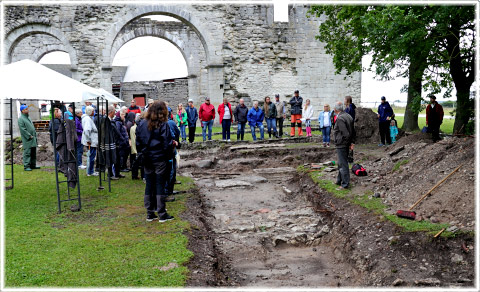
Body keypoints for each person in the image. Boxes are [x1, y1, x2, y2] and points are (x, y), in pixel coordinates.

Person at [135, 101, 176, 222]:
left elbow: (138, 142)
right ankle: (161, 213)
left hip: (148, 157)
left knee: (149, 184)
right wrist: (168, 155)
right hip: (158, 158)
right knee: (159, 184)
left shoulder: (142, 124)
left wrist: (142, 153)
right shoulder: (163, 124)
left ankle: (150, 212)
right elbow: (166, 143)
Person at [332, 101, 355, 190]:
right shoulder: (348, 116)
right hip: (345, 143)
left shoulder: (340, 118)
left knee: (343, 164)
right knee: (340, 162)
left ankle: (345, 184)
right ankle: (339, 180)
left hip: (342, 143)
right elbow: (353, 131)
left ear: (335, 110)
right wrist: (352, 142)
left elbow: (345, 133)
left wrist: (347, 142)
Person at [18, 104, 39, 171]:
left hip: (33, 137)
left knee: (33, 152)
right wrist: (29, 135)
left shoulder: (28, 117)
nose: (28, 110)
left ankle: (33, 165)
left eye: (27, 108)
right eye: (26, 109)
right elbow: (22, 129)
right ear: (22, 111)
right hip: (27, 139)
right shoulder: (21, 119)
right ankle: (26, 166)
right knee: (27, 152)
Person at [82, 106, 98, 176]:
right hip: (90, 142)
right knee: (91, 156)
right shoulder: (88, 119)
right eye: (92, 111)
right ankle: (90, 171)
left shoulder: (88, 118)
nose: (93, 112)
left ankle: (90, 170)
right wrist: (89, 140)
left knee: (91, 155)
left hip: (91, 141)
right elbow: (87, 130)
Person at [107, 105, 124, 179]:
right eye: (114, 112)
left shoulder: (111, 121)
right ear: (111, 112)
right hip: (111, 142)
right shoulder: (107, 121)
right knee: (111, 158)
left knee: (117, 158)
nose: (115, 113)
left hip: (115, 142)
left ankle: (117, 173)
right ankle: (110, 174)